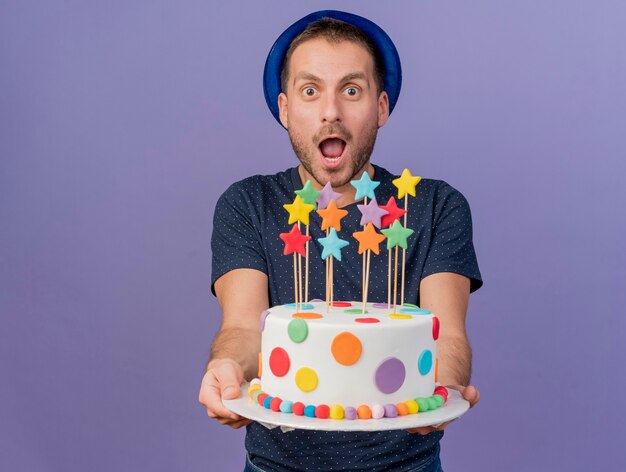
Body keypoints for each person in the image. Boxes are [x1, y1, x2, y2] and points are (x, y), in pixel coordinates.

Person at [199, 10, 482, 472]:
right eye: (311, 91)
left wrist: (442, 389)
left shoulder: (434, 206)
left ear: (382, 106)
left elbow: (447, 335)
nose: (331, 111)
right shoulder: (249, 204)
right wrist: (226, 369)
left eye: (352, 90)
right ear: (286, 108)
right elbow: (243, 328)